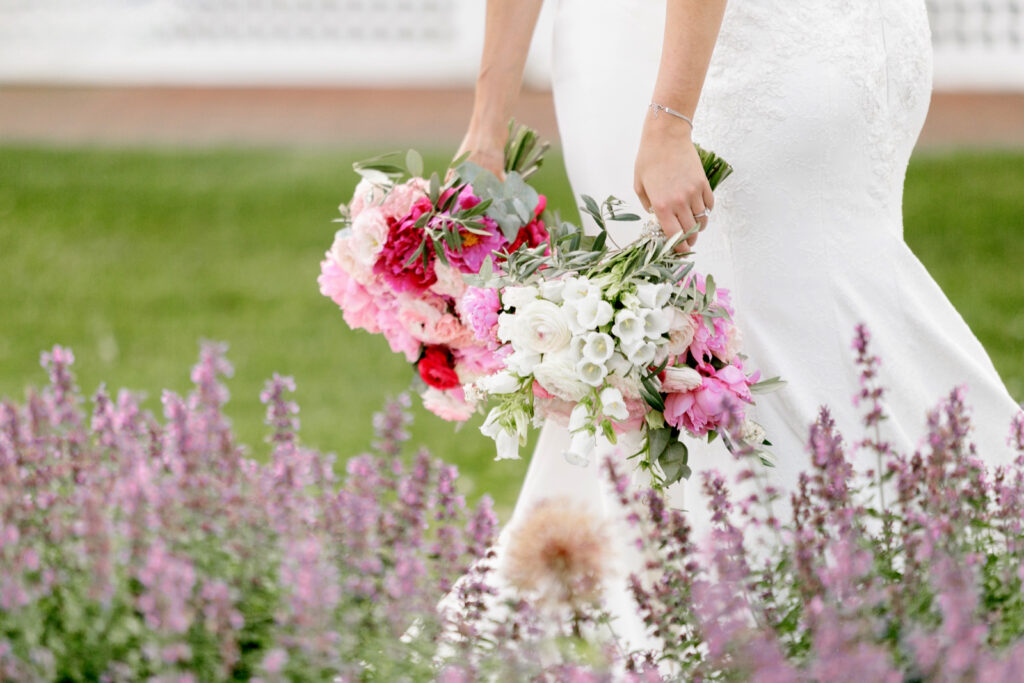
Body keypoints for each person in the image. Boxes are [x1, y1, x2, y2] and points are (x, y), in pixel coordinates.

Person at [456, 0, 1022, 652]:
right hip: (747, 45)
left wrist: (669, 121)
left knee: (737, 317)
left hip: (727, 55)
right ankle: (793, 603)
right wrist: (487, 120)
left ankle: (796, 608)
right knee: (709, 327)